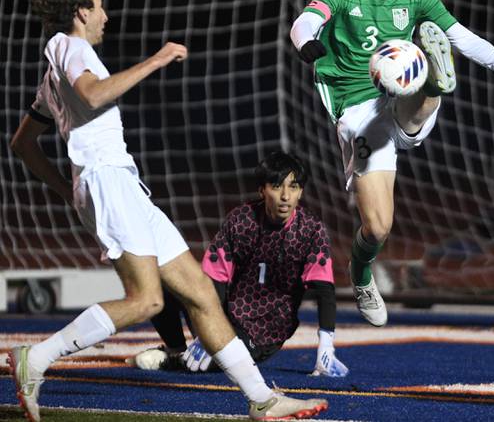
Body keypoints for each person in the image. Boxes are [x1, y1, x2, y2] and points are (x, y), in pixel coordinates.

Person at [8, 0, 327, 421]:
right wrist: (156, 60)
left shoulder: (53, 72)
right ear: (80, 11)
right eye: (98, 6)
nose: (105, 16)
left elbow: (22, 142)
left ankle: (262, 399)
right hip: (108, 182)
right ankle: (35, 358)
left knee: (199, 292)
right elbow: (94, 94)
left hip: (118, 185)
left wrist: (65, 187)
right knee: (148, 300)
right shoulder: (70, 47)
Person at [289, 0, 494, 327]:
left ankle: (434, 85)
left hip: (400, 95)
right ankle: (362, 273)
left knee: (421, 89)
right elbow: (306, 19)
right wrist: (308, 43)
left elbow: (460, 34)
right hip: (355, 107)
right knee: (379, 227)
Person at [130, 152, 348, 378]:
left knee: (214, 364)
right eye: (276, 186)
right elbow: (215, 280)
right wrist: (210, 330)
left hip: (265, 332)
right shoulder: (242, 220)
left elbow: (324, 290)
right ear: (262, 190)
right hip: (223, 313)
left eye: (293, 187)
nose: (285, 196)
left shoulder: (310, 231)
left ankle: (172, 361)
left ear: (301, 191)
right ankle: (176, 347)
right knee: (162, 280)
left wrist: (326, 347)